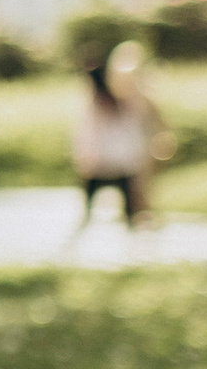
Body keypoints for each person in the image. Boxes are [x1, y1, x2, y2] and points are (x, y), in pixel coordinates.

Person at [72, 37, 169, 230]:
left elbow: (157, 123)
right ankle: (139, 222)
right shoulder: (111, 102)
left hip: (135, 151)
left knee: (139, 192)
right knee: (135, 193)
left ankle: (142, 222)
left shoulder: (139, 100)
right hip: (125, 153)